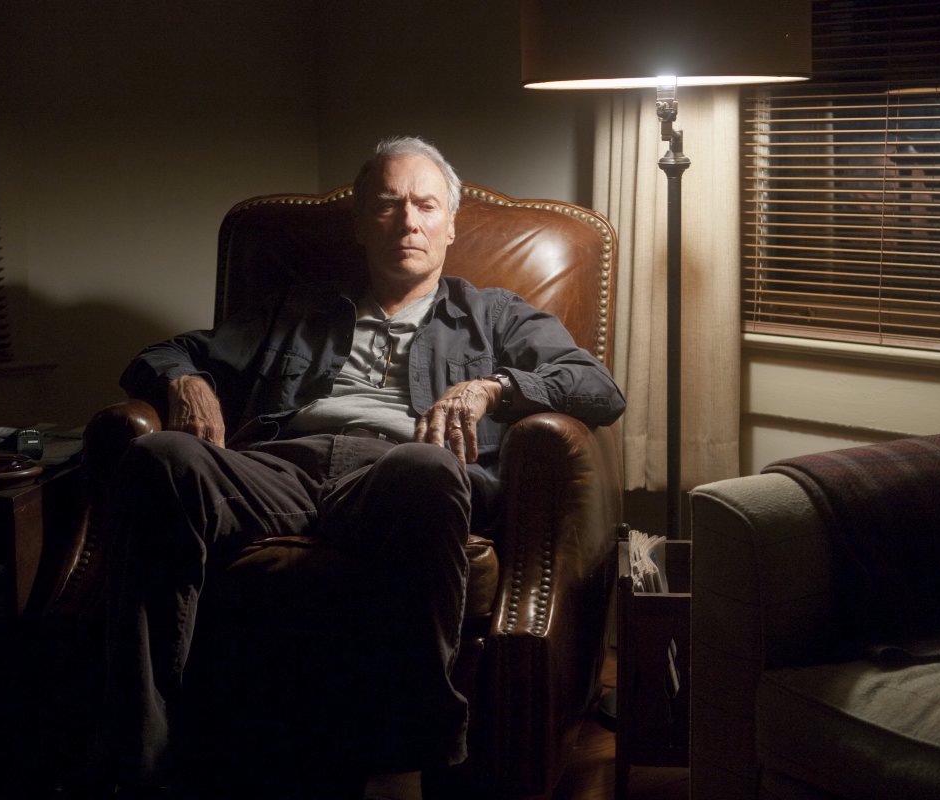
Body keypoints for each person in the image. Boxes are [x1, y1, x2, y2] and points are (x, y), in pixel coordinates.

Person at [103, 136, 625, 799]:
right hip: (280, 468)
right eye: (387, 204)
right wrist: (186, 380)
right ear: (360, 223)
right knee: (160, 456)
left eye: (425, 206)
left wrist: (492, 387)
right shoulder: (298, 307)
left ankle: (414, 757)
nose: (408, 222)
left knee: (427, 467)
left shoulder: (492, 314)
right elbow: (166, 352)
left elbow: (597, 388)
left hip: (402, 475)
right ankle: (141, 756)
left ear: (450, 224)